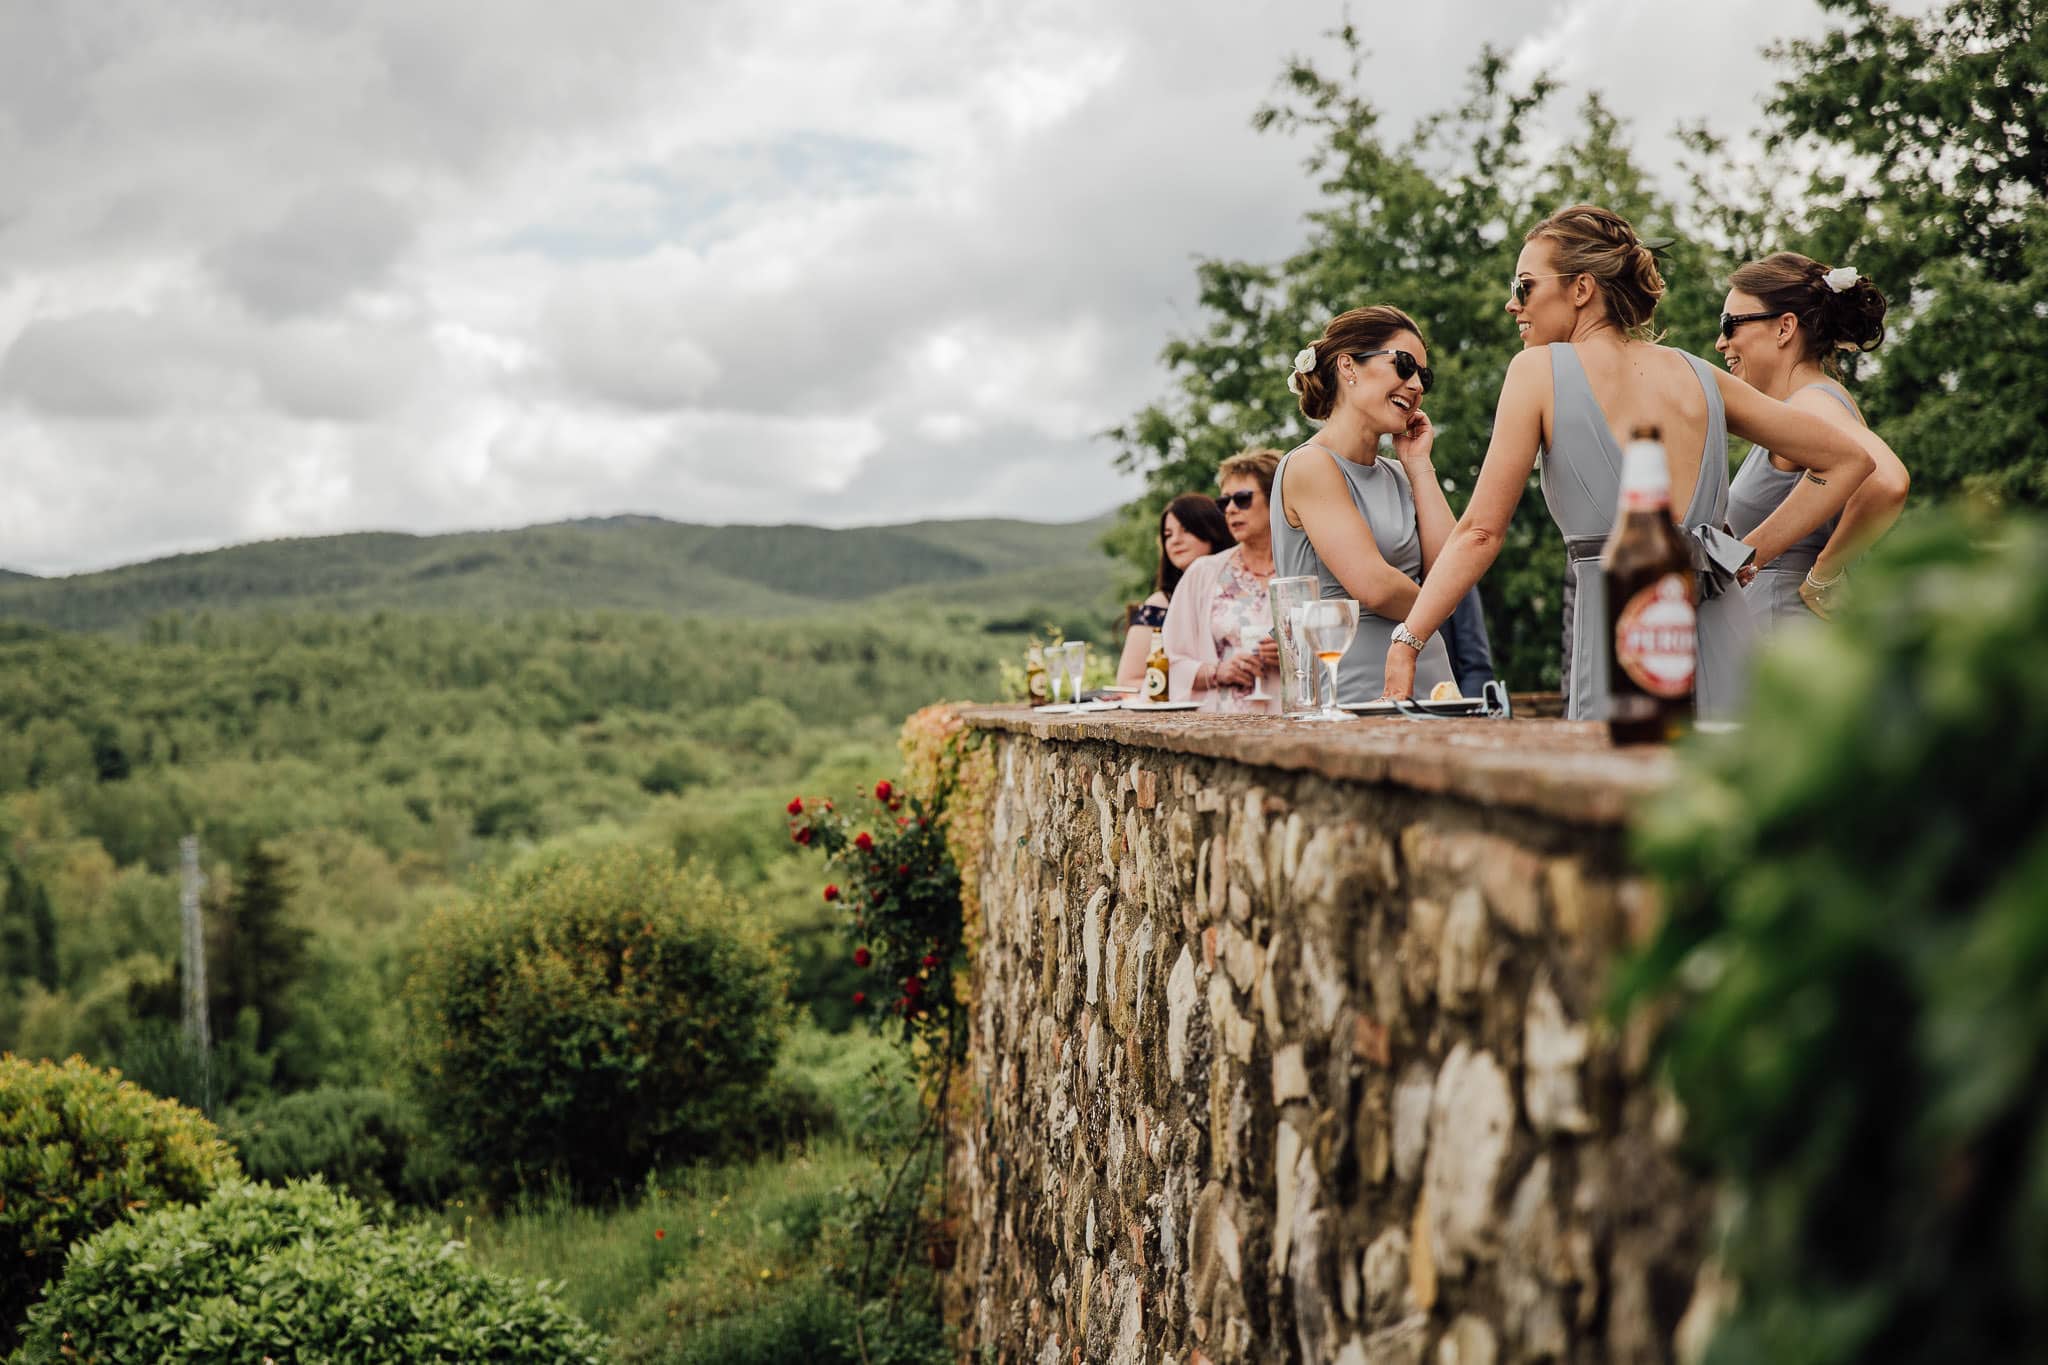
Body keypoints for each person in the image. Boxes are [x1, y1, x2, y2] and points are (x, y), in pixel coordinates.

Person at [1380, 203, 1873, 720]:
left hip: (1624, 636)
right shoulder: (1699, 374)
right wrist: (1745, 554)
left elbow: (1480, 532)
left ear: (1581, 289)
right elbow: (1846, 459)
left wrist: (1408, 638)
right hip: (1724, 636)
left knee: (1621, 793)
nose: (1512, 304)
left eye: (1524, 286)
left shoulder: (1536, 371)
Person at [1270, 306, 1456, 703]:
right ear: (1348, 367)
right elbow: (1375, 588)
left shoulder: (1400, 473)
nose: (1416, 384)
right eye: (1404, 365)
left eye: (1424, 375)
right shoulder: (1310, 465)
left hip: (1430, 673)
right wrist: (1442, 599)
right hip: (1352, 686)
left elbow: (1450, 568)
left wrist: (1420, 466)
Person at [1718, 252, 1909, 628]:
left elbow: (1888, 481)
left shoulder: (1812, 402)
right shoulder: (1805, 404)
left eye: (1730, 325)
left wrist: (1823, 573)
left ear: (1784, 328)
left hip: (1784, 634)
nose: (1720, 342)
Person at [1161, 449, 1283, 712]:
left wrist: (1293, 652)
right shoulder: (1202, 573)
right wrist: (1217, 671)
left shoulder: (1308, 569)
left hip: (1294, 727)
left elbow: (1336, 646)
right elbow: (1168, 660)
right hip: (1219, 726)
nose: (1230, 509)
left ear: (1276, 500)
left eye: (1242, 499)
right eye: (1224, 502)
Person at [1116, 493, 1236, 687]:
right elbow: (1128, 680)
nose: (1175, 541)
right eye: (1168, 535)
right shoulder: (1160, 605)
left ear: (1212, 530)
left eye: (1186, 530)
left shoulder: (1241, 593)